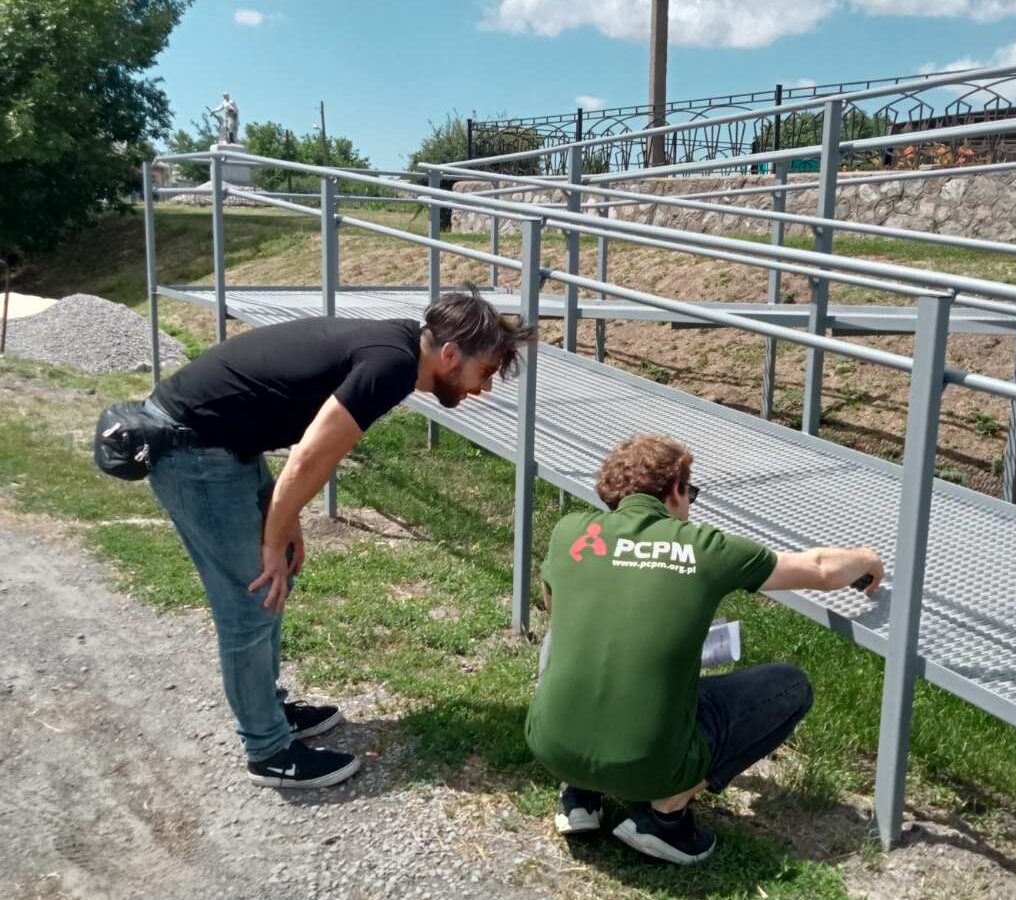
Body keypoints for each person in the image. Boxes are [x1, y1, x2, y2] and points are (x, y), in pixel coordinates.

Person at [143, 289, 533, 789]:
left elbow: (306, 437)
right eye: (486, 372)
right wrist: (272, 540)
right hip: (192, 447)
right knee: (252, 596)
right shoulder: (391, 365)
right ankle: (268, 752)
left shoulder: (399, 347)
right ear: (451, 355)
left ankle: (268, 709)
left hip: (225, 442)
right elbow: (312, 456)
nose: (485, 388)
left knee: (274, 580)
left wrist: (286, 523)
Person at [525, 436, 884, 864]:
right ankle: (663, 816)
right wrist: (867, 558)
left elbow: (557, 609)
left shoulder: (569, 531)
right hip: (651, 765)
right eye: (690, 494)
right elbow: (821, 570)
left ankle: (579, 792)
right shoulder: (705, 548)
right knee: (790, 687)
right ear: (676, 489)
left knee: (566, 633)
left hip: (550, 747)